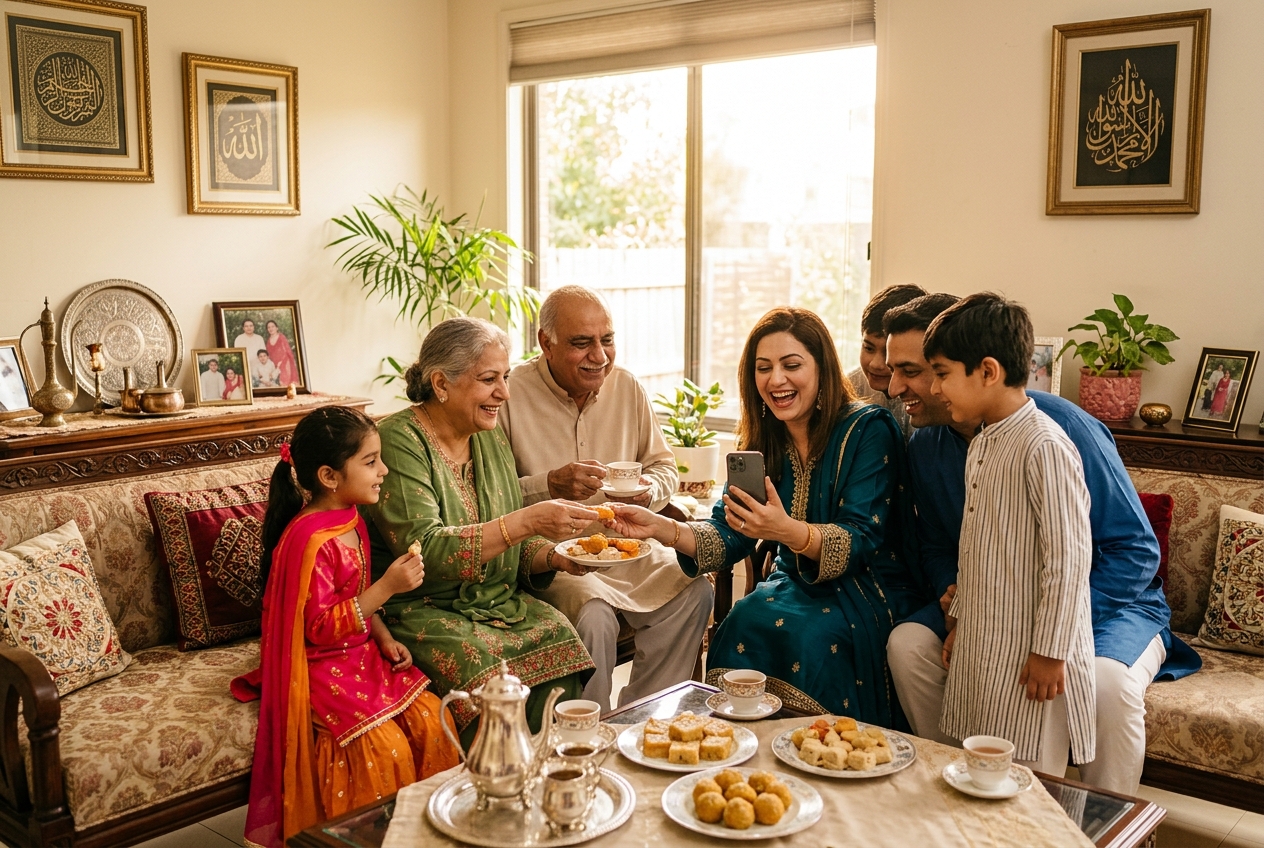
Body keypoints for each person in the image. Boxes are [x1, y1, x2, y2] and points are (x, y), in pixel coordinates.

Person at [883, 292, 1200, 793]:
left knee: (1105, 684)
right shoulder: (928, 443)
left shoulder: (1057, 432)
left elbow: (1132, 552)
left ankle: (1108, 818)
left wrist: (1046, 637)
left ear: (983, 370)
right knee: (908, 645)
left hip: (1109, 602)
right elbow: (941, 545)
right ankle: (961, 786)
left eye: (918, 371)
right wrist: (954, 603)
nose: (895, 387)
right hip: (995, 601)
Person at [606, 307, 920, 724]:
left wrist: (786, 531)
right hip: (791, 586)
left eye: (792, 365)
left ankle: (816, 751)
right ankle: (740, 751)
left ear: (822, 368)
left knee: (810, 639)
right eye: (764, 368)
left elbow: (861, 538)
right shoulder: (763, 441)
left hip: (865, 588)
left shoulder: (867, 429)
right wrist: (662, 528)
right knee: (740, 623)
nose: (776, 380)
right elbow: (728, 533)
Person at [362, 317, 599, 747]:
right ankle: (493, 777)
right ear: (440, 383)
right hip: (421, 606)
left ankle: (552, 766)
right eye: (489, 380)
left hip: (494, 600)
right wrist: (529, 520)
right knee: (486, 666)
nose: (504, 393)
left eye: (505, 378)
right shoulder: (397, 441)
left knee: (559, 635)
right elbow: (425, 550)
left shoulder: (488, 437)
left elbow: (508, 540)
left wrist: (556, 556)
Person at [235, 406, 461, 847]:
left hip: (361, 654)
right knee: (385, 750)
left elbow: (355, 597)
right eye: (371, 461)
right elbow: (319, 628)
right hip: (318, 665)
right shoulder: (309, 540)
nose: (384, 470)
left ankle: (435, 835)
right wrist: (388, 587)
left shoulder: (351, 518)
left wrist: (384, 637)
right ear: (329, 476)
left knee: (432, 721)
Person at [499, 286, 712, 710]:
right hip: (552, 556)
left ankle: (642, 717)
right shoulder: (508, 394)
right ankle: (587, 732)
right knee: (594, 616)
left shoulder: (627, 387)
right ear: (546, 343)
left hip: (626, 548)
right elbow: (491, 496)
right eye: (582, 343)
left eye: (607, 339)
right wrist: (549, 485)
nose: (599, 356)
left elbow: (664, 467)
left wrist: (650, 491)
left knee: (695, 592)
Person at [846, 284, 926, 441]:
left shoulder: (930, 396)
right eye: (868, 348)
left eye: (888, 353)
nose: (875, 364)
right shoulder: (850, 387)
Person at [266, 320, 300, 386]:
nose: (271, 328)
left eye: (272, 326)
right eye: (269, 327)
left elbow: (287, 351)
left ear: (277, 328)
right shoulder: (268, 342)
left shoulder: (281, 337)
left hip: (285, 363)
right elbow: (268, 356)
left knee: (287, 383)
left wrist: (282, 363)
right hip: (274, 366)